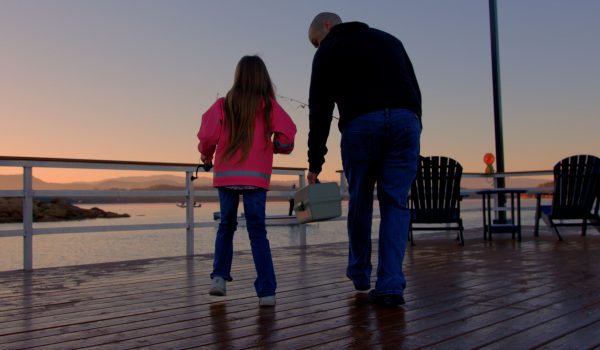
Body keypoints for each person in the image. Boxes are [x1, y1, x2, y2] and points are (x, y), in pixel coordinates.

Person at [307, 12, 422, 307]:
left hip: (361, 125)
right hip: (405, 120)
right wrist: (414, 121)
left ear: (328, 26)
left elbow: (319, 113)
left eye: (316, 41)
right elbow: (414, 88)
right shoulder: (390, 41)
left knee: (360, 199)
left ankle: (360, 273)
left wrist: (315, 164)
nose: (317, 48)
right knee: (396, 202)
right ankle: (391, 286)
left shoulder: (328, 51)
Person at [198, 55, 297, 307]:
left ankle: (219, 278)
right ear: (262, 77)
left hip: (227, 175)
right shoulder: (268, 106)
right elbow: (287, 135)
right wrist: (277, 146)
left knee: (226, 226)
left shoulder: (224, 103)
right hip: (256, 177)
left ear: (238, 75)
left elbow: (208, 135)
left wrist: (206, 154)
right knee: (257, 232)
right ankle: (267, 292)